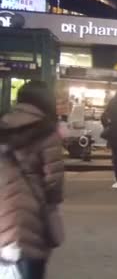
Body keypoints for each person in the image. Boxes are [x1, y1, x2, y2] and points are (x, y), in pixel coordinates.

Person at [0, 81, 65, 278]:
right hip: (33, 218)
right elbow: (54, 181)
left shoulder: (3, 125)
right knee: (30, 268)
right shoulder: (47, 132)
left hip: (3, 217)